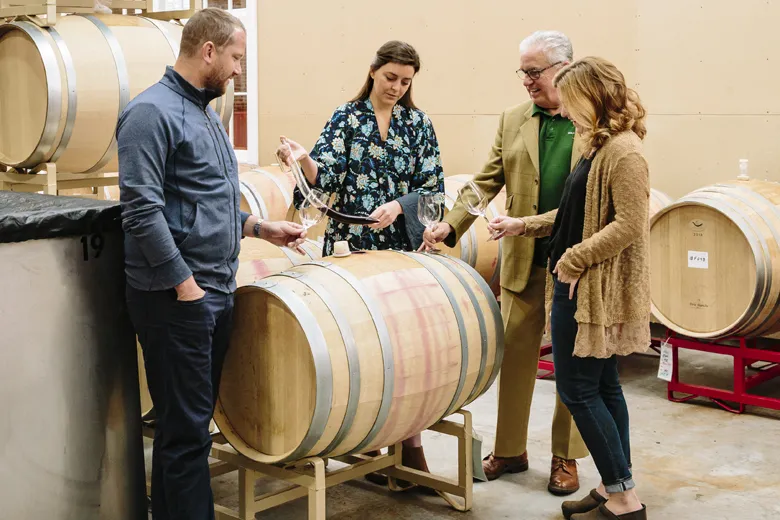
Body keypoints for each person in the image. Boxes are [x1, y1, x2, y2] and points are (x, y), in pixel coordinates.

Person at [117, 8, 306, 520]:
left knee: (197, 423)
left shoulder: (203, 112)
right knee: (183, 432)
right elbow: (142, 211)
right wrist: (185, 288)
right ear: (208, 51)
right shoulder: (149, 114)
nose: (239, 70)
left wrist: (259, 228)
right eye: (236, 58)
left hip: (212, 292)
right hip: (176, 299)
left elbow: (208, 201)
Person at [422, 30, 587, 495]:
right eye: (524, 72)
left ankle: (565, 456)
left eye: (534, 72)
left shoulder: (591, 119)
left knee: (573, 363)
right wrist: (450, 226)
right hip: (522, 260)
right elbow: (485, 181)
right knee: (514, 358)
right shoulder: (514, 118)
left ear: (563, 69)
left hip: (574, 263)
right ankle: (510, 449)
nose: (527, 82)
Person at [488, 56, 650, 520]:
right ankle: (615, 483)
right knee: (604, 385)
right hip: (578, 281)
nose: (564, 106)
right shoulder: (597, 145)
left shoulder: (624, 152)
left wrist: (573, 259)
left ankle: (622, 498)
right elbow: (575, 214)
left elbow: (630, 224)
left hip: (584, 286)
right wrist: (524, 225)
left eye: (571, 97)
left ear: (591, 97)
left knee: (579, 390)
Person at [277, 40, 444, 483]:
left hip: (400, 250)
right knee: (364, 345)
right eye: (390, 77)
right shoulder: (346, 117)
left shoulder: (418, 123)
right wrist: (302, 159)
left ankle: (410, 447)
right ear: (373, 71)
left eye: (405, 81)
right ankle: (369, 442)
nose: (396, 87)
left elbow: (433, 187)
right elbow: (324, 177)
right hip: (352, 246)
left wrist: (398, 205)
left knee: (408, 346)